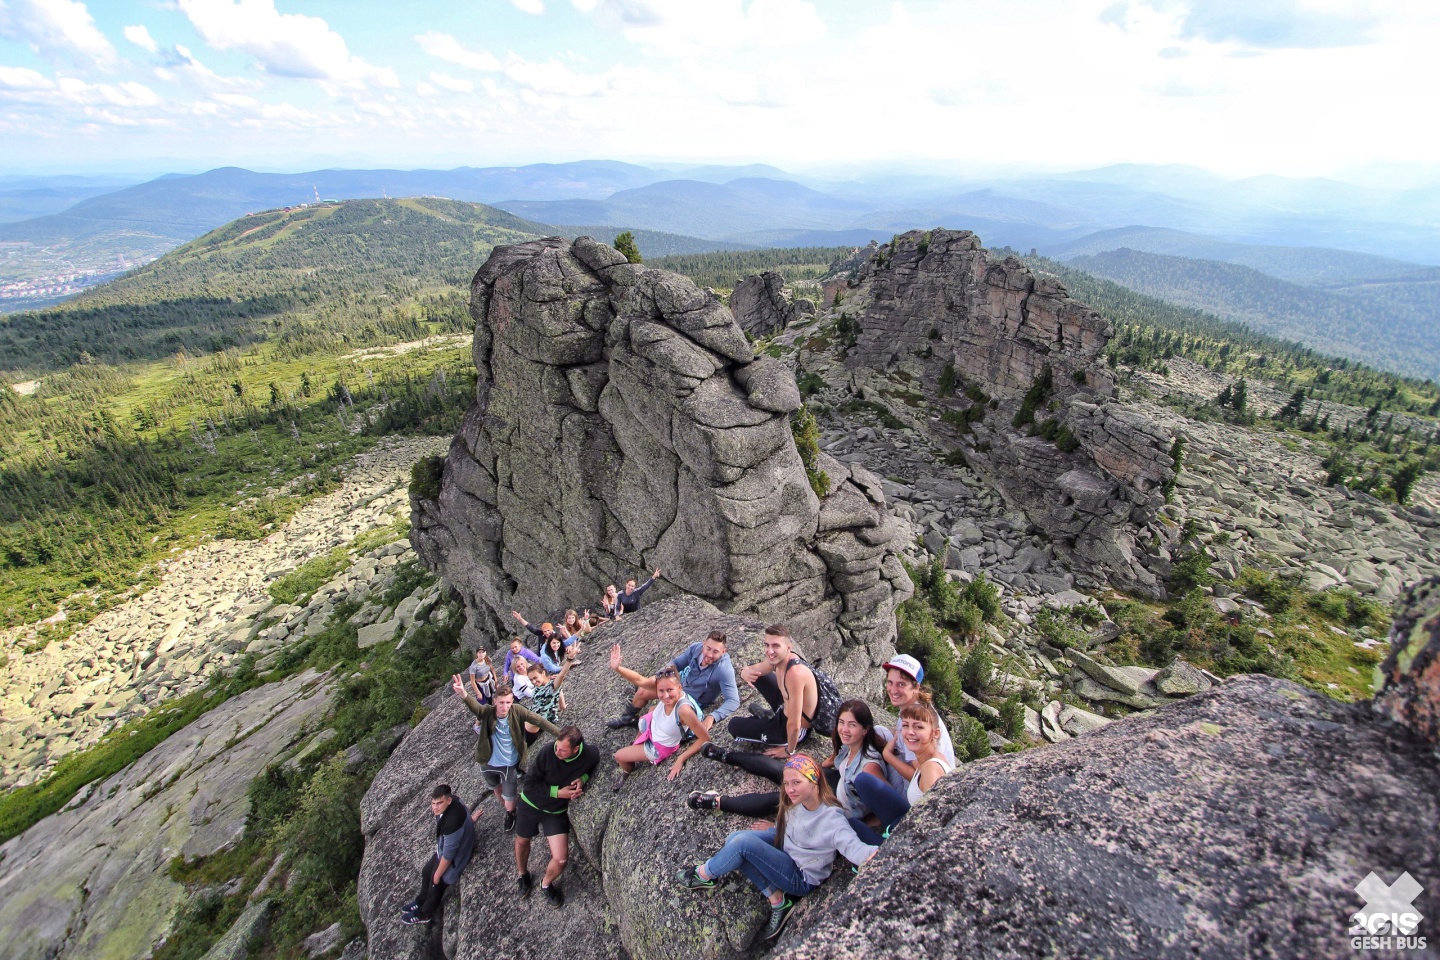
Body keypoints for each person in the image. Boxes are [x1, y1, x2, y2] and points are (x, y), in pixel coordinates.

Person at [675, 755, 877, 943]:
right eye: (787, 783)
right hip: (787, 845)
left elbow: (851, 845)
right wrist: (775, 829)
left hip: (800, 875)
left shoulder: (832, 818)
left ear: (814, 781)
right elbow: (794, 826)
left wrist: (871, 855)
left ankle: (703, 874)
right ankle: (778, 900)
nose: (790, 789)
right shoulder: (797, 801)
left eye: (797, 782)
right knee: (734, 838)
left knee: (742, 844)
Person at [689, 699, 888, 844]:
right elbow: (833, 762)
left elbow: (888, 803)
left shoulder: (869, 767)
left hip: (837, 805)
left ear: (865, 729)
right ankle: (725, 755)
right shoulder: (849, 744)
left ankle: (716, 802)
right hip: (834, 782)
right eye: (842, 723)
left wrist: (863, 824)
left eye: (852, 725)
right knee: (784, 769)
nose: (844, 729)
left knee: (780, 799)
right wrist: (809, 767)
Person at [452, 676, 560, 829]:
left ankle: (510, 812)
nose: (505, 706)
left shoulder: (517, 711)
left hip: (509, 764)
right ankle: (509, 811)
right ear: (495, 701)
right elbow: (476, 707)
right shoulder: (488, 713)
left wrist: (560, 735)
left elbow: (539, 721)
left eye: (508, 702)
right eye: (501, 702)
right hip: (487, 762)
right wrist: (463, 693)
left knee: (510, 799)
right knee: (496, 789)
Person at [515, 725, 601, 908]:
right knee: (522, 841)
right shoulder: (548, 752)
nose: (558, 751)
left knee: (561, 859)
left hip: (554, 813)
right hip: (530, 803)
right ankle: (523, 874)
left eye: (563, 750)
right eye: (557, 746)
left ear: (576, 749)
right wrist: (557, 792)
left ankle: (546, 884)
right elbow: (529, 784)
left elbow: (595, 760)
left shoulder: (588, 754)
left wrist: (583, 779)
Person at [852, 700, 954, 837]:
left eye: (918, 727)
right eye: (906, 726)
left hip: (915, 838)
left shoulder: (931, 768)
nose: (910, 732)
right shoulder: (928, 759)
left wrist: (897, 839)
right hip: (910, 817)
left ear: (935, 733)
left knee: (852, 826)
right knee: (863, 781)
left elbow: (934, 820)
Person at [605, 630, 740, 731]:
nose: (710, 654)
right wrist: (664, 675)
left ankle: (643, 738)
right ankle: (628, 718)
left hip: (694, 699)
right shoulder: (696, 648)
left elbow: (733, 700)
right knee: (643, 691)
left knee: (653, 712)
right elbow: (676, 663)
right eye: (708, 648)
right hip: (681, 684)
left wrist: (713, 717)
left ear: (723, 652)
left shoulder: (724, 669)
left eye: (715, 652)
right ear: (704, 644)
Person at [612, 666, 711, 791]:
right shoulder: (665, 693)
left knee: (619, 756)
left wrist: (681, 759)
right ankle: (635, 747)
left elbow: (705, 738)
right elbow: (638, 679)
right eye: (661, 691)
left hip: (660, 745)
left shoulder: (684, 711)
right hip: (655, 728)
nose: (665, 696)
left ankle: (627, 772)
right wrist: (617, 668)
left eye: (670, 690)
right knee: (648, 713)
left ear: (679, 687)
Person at [726, 624, 817, 759]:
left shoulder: (795, 674)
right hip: (783, 709)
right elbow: (756, 669)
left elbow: (795, 724)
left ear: (788, 648)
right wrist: (744, 672)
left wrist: (789, 751)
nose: (770, 651)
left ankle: (765, 720)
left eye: (775, 646)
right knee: (760, 675)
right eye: (767, 645)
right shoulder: (780, 659)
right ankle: (768, 717)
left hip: (788, 730)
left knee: (734, 725)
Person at [400, 784, 477, 925]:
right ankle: (420, 901)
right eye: (433, 803)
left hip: (453, 860)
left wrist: (437, 876)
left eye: (439, 803)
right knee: (426, 872)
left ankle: (424, 914)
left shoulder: (452, 823)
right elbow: (465, 819)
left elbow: (449, 855)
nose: (435, 807)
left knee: (435, 886)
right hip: (443, 851)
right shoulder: (455, 802)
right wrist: (471, 821)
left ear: (448, 801)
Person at [879, 654, 956, 790]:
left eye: (901, 684)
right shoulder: (918, 709)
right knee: (879, 733)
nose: (893, 690)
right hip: (937, 782)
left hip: (919, 793)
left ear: (916, 687)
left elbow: (920, 777)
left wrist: (888, 756)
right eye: (890, 682)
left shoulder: (915, 719)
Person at [523, 660, 572, 743]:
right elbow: (559, 691)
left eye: (535, 678)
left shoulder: (552, 687)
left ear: (543, 673)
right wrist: (562, 706)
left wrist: (570, 658)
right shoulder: (541, 687)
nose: (533, 682)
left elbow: (562, 674)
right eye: (531, 680)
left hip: (529, 729)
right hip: (527, 721)